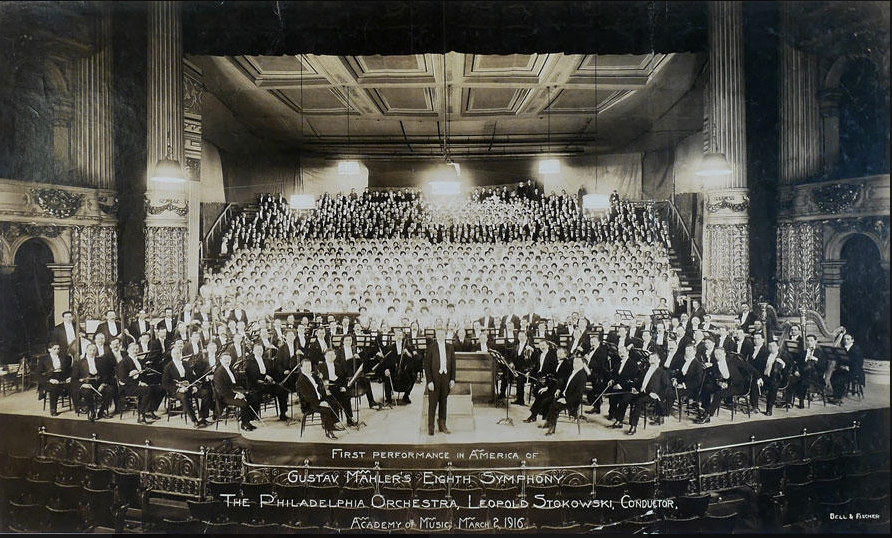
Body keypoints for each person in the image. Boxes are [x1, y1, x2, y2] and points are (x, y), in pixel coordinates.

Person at [614, 352, 670, 434]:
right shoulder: (645, 370)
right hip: (641, 392)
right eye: (650, 359)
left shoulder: (662, 372)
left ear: (659, 360)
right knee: (626, 397)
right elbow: (638, 382)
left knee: (638, 402)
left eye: (654, 359)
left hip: (651, 395)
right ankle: (619, 420)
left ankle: (633, 426)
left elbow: (667, 387)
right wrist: (634, 388)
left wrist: (657, 395)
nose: (652, 360)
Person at [118, 341, 164, 424]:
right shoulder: (124, 362)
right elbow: (123, 379)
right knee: (147, 390)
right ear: (128, 350)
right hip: (128, 387)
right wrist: (139, 383)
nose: (135, 351)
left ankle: (149, 410)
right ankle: (141, 416)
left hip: (139, 384)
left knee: (160, 388)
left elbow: (143, 375)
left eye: (137, 349)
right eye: (133, 349)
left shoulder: (139, 360)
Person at [295, 357, 342, 439]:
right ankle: (329, 431)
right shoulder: (301, 380)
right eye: (306, 366)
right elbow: (307, 397)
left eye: (309, 366)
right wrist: (320, 403)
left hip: (316, 400)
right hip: (308, 405)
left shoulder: (311, 376)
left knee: (333, 403)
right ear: (301, 368)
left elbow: (318, 388)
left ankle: (332, 425)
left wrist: (320, 379)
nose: (308, 368)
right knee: (326, 410)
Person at [542, 354, 588, 435]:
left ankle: (552, 428)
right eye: (574, 363)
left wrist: (566, 400)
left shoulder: (582, 376)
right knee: (547, 400)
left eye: (577, 363)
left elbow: (578, 393)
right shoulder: (572, 372)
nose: (575, 365)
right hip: (565, 395)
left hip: (573, 400)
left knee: (554, 406)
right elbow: (565, 384)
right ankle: (549, 421)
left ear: (582, 364)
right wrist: (559, 390)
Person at [213, 352, 259, 431]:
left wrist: (244, 391)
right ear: (220, 360)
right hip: (225, 397)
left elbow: (237, 382)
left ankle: (248, 420)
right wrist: (236, 395)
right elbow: (222, 391)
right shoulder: (218, 373)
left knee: (252, 396)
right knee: (244, 403)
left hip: (234, 391)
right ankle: (244, 424)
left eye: (228, 359)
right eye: (225, 359)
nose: (227, 361)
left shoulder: (231, 368)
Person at [424, 327, 456, 436]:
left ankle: (442, 425)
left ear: (445, 335)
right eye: (439, 334)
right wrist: (429, 381)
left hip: (446, 379)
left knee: (443, 403)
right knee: (432, 404)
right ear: (436, 335)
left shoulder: (450, 348)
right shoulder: (431, 348)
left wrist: (452, 379)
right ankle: (431, 426)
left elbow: (453, 365)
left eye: (443, 334)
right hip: (434, 380)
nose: (441, 336)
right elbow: (427, 366)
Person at [245, 342, 289, 422]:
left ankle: (283, 414)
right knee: (255, 395)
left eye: (261, 350)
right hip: (256, 385)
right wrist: (264, 376)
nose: (259, 352)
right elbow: (252, 374)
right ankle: (254, 415)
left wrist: (274, 378)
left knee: (282, 390)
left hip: (268, 385)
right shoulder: (250, 362)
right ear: (253, 351)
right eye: (257, 350)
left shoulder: (267, 361)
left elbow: (273, 372)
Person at [162, 347, 205, 427]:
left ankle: (203, 417)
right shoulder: (168, 367)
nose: (176, 355)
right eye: (174, 354)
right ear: (171, 355)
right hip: (176, 391)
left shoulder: (185, 363)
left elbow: (192, 377)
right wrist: (179, 389)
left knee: (206, 393)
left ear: (180, 354)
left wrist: (194, 386)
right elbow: (165, 383)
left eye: (178, 353)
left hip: (189, 387)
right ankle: (195, 420)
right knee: (184, 397)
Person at [316, 349, 357, 427]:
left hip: (337, 387)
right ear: (325, 356)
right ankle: (332, 422)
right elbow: (317, 381)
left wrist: (343, 387)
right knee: (330, 399)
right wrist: (325, 388)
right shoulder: (320, 367)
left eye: (332, 355)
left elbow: (343, 378)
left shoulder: (338, 365)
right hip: (325, 389)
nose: (330, 357)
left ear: (335, 356)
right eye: (328, 355)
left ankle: (349, 419)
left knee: (346, 397)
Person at [39, 343, 72, 416]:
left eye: (58, 349)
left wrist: (69, 377)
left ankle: (78, 407)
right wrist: (50, 380)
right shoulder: (43, 359)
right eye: (54, 349)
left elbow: (69, 370)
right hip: (49, 378)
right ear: (49, 349)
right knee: (54, 388)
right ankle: (53, 409)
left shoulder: (64, 357)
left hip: (61, 377)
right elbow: (38, 374)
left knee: (74, 384)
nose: (57, 350)